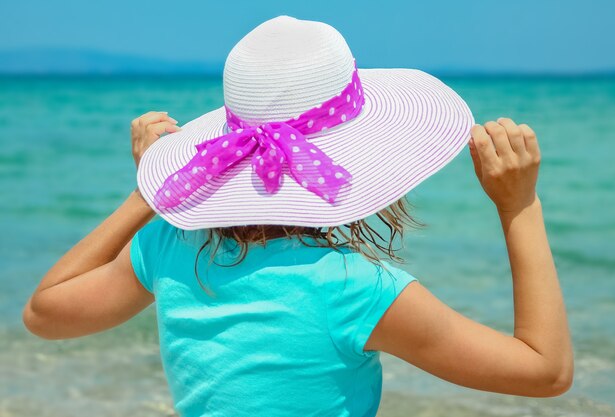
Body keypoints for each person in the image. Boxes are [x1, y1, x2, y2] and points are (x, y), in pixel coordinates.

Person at [22, 16, 573, 417]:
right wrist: (519, 205)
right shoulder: (354, 289)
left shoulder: (168, 246)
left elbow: (45, 314)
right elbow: (546, 371)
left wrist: (151, 192)